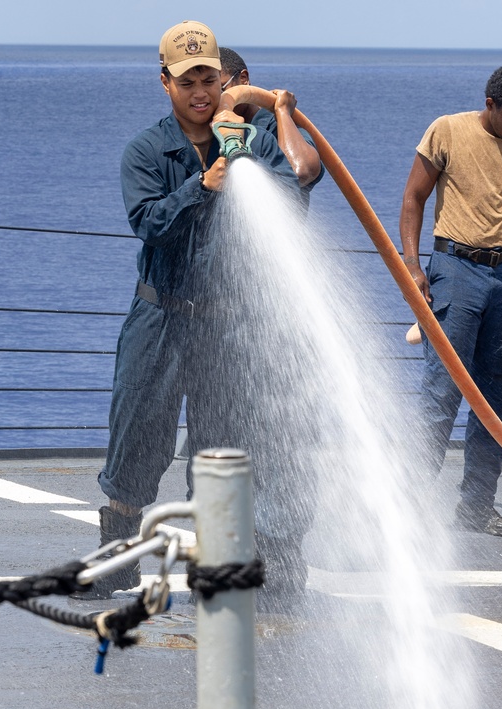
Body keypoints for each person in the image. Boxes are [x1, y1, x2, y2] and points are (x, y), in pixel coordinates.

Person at [85, 20, 307, 598]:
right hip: (159, 319)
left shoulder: (250, 140)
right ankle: (117, 558)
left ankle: (219, 563)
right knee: (137, 439)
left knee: (222, 447)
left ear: (223, 79)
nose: (200, 92)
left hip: (228, 324)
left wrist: (249, 153)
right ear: (166, 83)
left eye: (208, 78)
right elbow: (149, 224)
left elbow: (293, 200)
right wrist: (202, 186)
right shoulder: (145, 150)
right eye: (187, 81)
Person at [399, 63, 502, 538]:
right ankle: (409, 511)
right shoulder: (447, 130)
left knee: (493, 399)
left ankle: (477, 506)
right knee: (440, 395)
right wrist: (412, 266)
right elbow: (413, 198)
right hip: (454, 268)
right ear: (489, 104)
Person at [218, 47, 324, 202]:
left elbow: (301, 171)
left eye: (220, 89)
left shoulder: (278, 125)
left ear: (243, 79)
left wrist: (282, 111)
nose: (213, 100)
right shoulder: (207, 131)